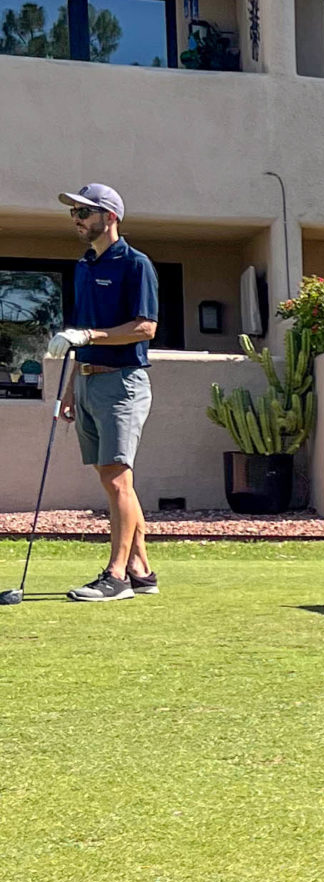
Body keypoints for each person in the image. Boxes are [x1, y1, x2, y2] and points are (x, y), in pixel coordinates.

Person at [54, 184, 159, 603]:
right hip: (87, 381)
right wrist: (70, 388)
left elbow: (146, 328)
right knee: (111, 478)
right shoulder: (84, 266)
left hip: (122, 383)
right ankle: (141, 570)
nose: (76, 219)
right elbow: (81, 334)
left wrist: (90, 335)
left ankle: (116, 577)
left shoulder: (136, 264)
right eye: (74, 212)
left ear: (110, 217)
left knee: (117, 478)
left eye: (84, 212)